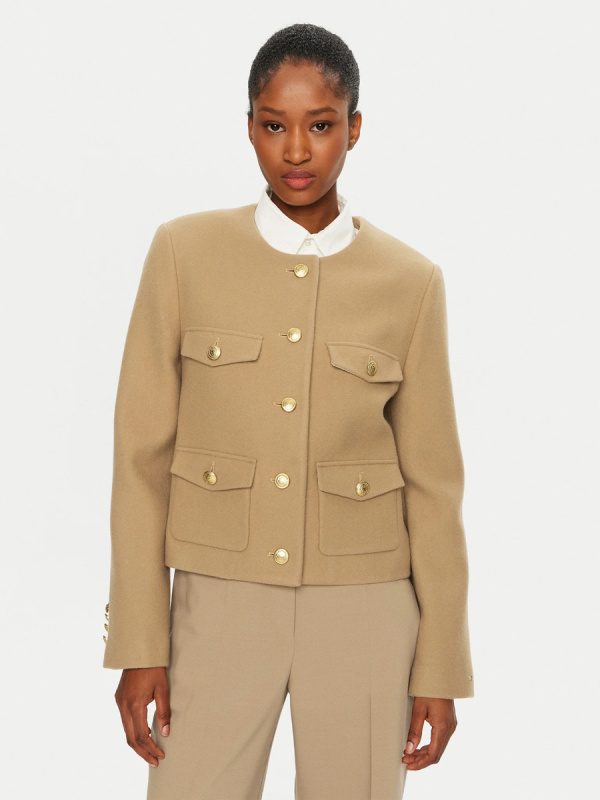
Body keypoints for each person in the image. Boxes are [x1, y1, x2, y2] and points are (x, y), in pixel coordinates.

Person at [103, 22, 474, 799]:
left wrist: (441, 665)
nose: (297, 151)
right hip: (216, 604)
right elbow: (140, 461)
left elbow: (435, 487)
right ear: (249, 127)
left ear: (354, 129)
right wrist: (140, 642)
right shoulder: (183, 254)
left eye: (321, 125)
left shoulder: (411, 282)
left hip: (367, 610)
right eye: (275, 126)